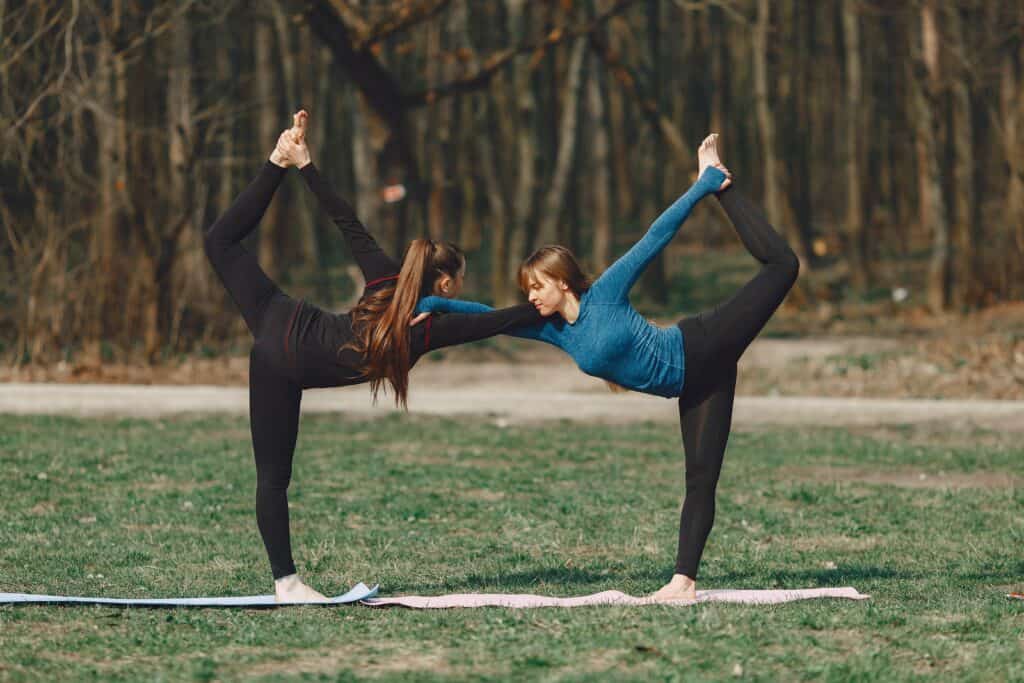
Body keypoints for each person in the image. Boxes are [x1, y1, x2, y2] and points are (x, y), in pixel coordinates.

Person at [415, 134, 799, 601]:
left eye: (537, 286)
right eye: (527, 288)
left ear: (561, 280)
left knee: (783, 265)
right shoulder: (553, 331)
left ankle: (719, 183)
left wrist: (700, 188)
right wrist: (434, 303)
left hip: (702, 345)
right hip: (697, 383)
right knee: (700, 479)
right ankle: (683, 583)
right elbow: (489, 317)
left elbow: (655, 236)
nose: (531, 296)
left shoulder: (606, 294)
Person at [203, 111, 544, 602]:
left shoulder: (385, 277)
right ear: (445, 283)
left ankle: (273, 160)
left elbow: (347, 221)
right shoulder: (427, 331)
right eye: (459, 280)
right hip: (284, 360)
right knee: (274, 479)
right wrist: (551, 310)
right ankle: (286, 585)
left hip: (279, 322)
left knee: (219, 241)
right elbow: (497, 321)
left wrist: (302, 164)